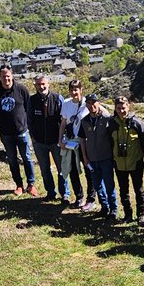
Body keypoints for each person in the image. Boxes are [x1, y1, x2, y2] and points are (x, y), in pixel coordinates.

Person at [0, 64, 37, 196]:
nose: (6, 79)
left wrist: (28, 126)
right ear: (0, 77)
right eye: (4, 76)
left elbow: (29, 108)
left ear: (12, 76)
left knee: (27, 158)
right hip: (6, 134)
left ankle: (31, 184)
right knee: (12, 159)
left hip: (22, 131)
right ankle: (19, 185)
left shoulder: (21, 89)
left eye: (8, 76)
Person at [78, 93, 118, 220]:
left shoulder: (107, 118)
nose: (91, 106)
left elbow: (114, 138)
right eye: (88, 103)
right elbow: (82, 139)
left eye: (93, 102)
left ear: (98, 103)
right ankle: (104, 207)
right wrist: (85, 157)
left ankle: (113, 209)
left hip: (106, 157)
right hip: (92, 159)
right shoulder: (84, 121)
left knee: (109, 184)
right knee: (97, 185)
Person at [28, 74, 65, 203]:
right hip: (40, 142)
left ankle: (64, 194)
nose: (41, 86)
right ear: (35, 86)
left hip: (56, 141)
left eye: (43, 84)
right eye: (38, 84)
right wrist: (33, 138)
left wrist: (63, 139)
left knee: (62, 169)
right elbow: (29, 121)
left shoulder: (57, 98)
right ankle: (50, 192)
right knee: (45, 170)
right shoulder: (31, 101)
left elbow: (64, 120)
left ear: (48, 84)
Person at [111, 96, 144, 225]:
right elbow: (110, 143)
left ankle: (141, 215)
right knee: (123, 190)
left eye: (124, 108)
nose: (121, 110)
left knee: (139, 189)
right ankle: (128, 214)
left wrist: (139, 156)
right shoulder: (112, 124)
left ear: (129, 107)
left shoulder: (137, 123)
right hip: (119, 164)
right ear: (115, 109)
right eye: (119, 108)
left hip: (136, 162)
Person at [57, 79, 93, 209]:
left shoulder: (86, 104)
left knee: (88, 168)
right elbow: (63, 123)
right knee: (72, 170)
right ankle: (79, 197)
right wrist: (60, 140)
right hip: (71, 142)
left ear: (81, 90)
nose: (74, 92)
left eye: (76, 89)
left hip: (85, 141)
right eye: (71, 90)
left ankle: (91, 198)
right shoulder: (66, 103)